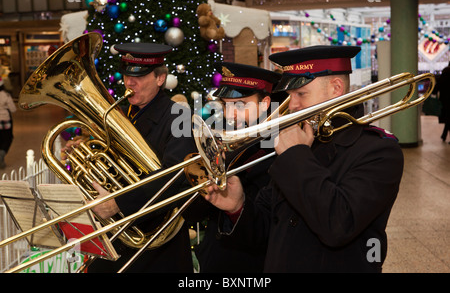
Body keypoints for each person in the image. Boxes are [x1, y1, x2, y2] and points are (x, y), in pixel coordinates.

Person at [204, 45, 404, 272]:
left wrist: (295, 156)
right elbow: (266, 230)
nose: (293, 105)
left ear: (336, 88)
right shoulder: (301, 142)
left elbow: (337, 226)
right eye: (290, 96)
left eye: (301, 94)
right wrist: (237, 206)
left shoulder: (379, 150)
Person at [83, 42, 198, 273]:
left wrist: (118, 202)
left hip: (157, 246)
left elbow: (175, 175)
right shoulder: (120, 114)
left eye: (139, 75)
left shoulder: (179, 115)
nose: (129, 82)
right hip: (117, 237)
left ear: (160, 79)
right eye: (126, 74)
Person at [191, 62, 283, 273]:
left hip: (253, 265)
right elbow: (194, 213)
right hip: (215, 259)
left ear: (265, 103)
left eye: (240, 105)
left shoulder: (278, 147)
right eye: (226, 105)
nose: (230, 114)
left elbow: (268, 225)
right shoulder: (221, 137)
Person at [0, 79, 16, 169]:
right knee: (7, 138)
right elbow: (13, 109)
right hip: (5, 120)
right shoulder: (6, 95)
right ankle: (2, 154)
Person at [436, 62, 450, 142]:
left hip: (445, 100)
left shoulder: (445, 72)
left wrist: (433, 92)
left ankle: (444, 135)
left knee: (447, 117)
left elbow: (439, 84)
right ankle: (444, 135)